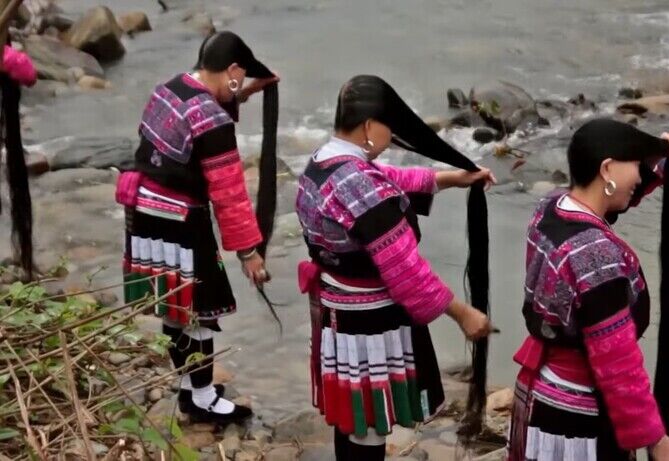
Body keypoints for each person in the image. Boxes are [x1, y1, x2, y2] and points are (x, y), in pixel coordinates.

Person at [296, 75, 495, 460]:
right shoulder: (359, 183)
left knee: (351, 421)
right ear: (370, 127)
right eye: (389, 126)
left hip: (338, 311)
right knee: (369, 426)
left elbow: (388, 180)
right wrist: (463, 313)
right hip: (367, 324)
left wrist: (450, 179)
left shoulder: (324, 163)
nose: (392, 136)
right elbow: (407, 273)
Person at [115, 31, 278, 423]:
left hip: (143, 213)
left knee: (176, 308)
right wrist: (249, 252)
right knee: (201, 309)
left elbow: (194, 122)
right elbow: (229, 195)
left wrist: (245, 92)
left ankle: (190, 388)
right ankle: (203, 398)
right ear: (233, 69)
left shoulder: (168, 89)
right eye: (239, 78)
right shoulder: (213, 119)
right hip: (180, 221)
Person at [507, 119, 669, 461]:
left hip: (542, 392)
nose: (639, 176)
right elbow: (617, 363)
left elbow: (610, 203)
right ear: (607, 168)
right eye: (635, 165)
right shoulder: (596, 256)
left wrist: (658, 159)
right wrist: (655, 439)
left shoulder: (550, 209)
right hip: (579, 416)